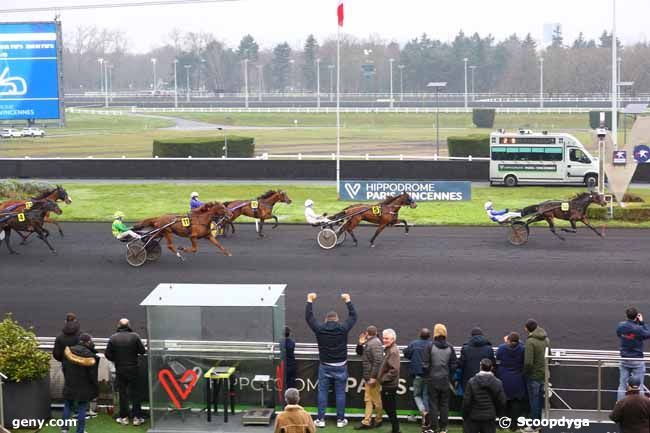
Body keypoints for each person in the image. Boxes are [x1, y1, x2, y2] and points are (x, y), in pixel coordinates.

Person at [305, 292, 357, 428]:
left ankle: (320, 419)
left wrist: (310, 300)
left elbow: (309, 318)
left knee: (322, 392)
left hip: (325, 366)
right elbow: (353, 316)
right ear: (337, 319)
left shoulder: (320, 329)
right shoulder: (342, 328)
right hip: (341, 366)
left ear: (326, 320)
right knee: (340, 393)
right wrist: (348, 300)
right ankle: (340, 420)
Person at [105, 318, 146, 426]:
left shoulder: (113, 338)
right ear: (129, 325)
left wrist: (116, 359)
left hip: (120, 369)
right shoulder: (135, 336)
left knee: (123, 394)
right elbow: (142, 351)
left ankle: (124, 417)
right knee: (136, 393)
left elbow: (107, 354)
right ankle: (137, 417)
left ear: (118, 325)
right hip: (133, 368)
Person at [422, 323, 457, 433]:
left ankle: (433, 427)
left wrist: (428, 375)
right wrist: (448, 375)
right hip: (445, 380)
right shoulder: (450, 347)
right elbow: (454, 365)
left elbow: (425, 365)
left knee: (433, 405)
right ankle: (443, 428)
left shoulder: (430, 346)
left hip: (432, 380)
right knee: (444, 405)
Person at [61, 334, 99, 433]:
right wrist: (94, 387)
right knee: (82, 408)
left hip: (69, 383)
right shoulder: (90, 355)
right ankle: (80, 430)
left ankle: (64, 429)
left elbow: (64, 368)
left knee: (67, 406)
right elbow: (93, 375)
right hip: (84, 386)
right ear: (88, 342)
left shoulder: (68, 351)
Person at [462, 359, 507, 433]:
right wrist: (498, 413)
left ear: (480, 367)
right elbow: (502, 401)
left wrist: (464, 415)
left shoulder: (471, 381)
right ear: (491, 367)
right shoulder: (497, 382)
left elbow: (466, 401)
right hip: (489, 417)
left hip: (473, 417)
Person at [617, 307, 650, 401]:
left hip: (624, 360)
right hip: (637, 360)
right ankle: (640, 409)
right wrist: (642, 323)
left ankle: (620, 406)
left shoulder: (620, 326)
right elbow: (648, 334)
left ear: (626, 315)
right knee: (639, 386)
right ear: (637, 317)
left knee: (622, 385)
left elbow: (619, 334)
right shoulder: (639, 329)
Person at [354, 326, 384, 430]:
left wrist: (373, 377)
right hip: (369, 377)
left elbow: (378, 361)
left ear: (367, 333)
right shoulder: (370, 342)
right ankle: (367, 421)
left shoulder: (375, 343)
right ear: (376, 332)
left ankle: (378, 420)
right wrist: (360, 343)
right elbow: (359, 352)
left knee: (375, 400)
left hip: (372, 377)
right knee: (368, 400)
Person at [495, 332, 526, 429]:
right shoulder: (522, 349)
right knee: (515, 402)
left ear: (508, 340)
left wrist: (505, 343)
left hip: (503, 378)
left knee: (503, 402)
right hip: (517, 379)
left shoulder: (501, 348)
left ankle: (502, 425)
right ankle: (514, 426)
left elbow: (498, 357)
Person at [523, 319, 550, 426]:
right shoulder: (546, 339)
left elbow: (528, 362)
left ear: (528, 329)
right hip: (543, 374)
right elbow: (550, 356)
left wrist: (525, 373)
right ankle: (541, 421)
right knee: (540, 399)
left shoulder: (530, 342)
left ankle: (534, 424)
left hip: (533, 376)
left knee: (533, 401)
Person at [403, 328, 431, 426]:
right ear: (429, 336)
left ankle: (423, 412)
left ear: (420, 335)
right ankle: (426, 417)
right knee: (426, 396)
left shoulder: (414, 344)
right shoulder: (432, 345)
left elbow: (406, 353)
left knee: (417, 395)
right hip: (428, 375)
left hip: (418, 375)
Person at [459, 327, 495, 394]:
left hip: (468, 382)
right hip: (485, 382)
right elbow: (493, 365)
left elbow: (460, 364)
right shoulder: (489, 348)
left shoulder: (465, 348)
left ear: (471, 336)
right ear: (482, 336)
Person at [378, 329, 401, 433]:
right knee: (389, 407)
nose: (385, 340)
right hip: (388, 384)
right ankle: (395, 429)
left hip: (390, 385)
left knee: (390, 408)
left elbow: (394, 370)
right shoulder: (389, 349)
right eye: (384, 338)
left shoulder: (393, 351)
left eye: (387, 338)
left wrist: (383, 379)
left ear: (393, 339)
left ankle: (396, 430)